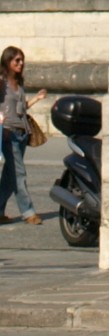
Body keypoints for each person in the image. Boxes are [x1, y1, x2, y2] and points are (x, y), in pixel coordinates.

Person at [0, 47, 48, 225]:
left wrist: (36, 99)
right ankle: (28, 212)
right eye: (17, 60)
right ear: (7, 62)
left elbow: (21, 107)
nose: (21, 63)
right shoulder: (2, 83)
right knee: (19, 173)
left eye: (22, 60)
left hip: (21, 134)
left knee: (9, 176)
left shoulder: (19, 84)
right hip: (7, 133)